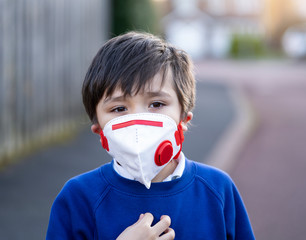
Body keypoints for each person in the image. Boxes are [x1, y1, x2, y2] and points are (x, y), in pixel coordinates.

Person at [46, 31, 255, 240]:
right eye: (119, 108)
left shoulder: (218, 190)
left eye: (156, 104)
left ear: (183, 121)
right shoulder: (77, 199)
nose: (138, 121)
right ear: (100, 131)